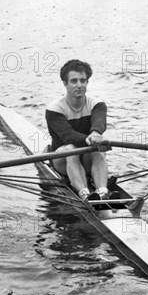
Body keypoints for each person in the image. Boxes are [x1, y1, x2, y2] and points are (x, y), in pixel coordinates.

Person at [45, 59, 118, 201]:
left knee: (97, 148)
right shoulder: (54, 109)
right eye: (74, 81)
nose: (79, 85)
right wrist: (88, 139)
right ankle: (85, 194)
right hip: (62, 159)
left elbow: (99, 122)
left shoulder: (97, 104)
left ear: (87, 83)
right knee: (71, 148)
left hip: (86, 157)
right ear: (65, 84)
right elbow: (67, 135)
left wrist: (96, 134)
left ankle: (102, 192)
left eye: (83, 80)